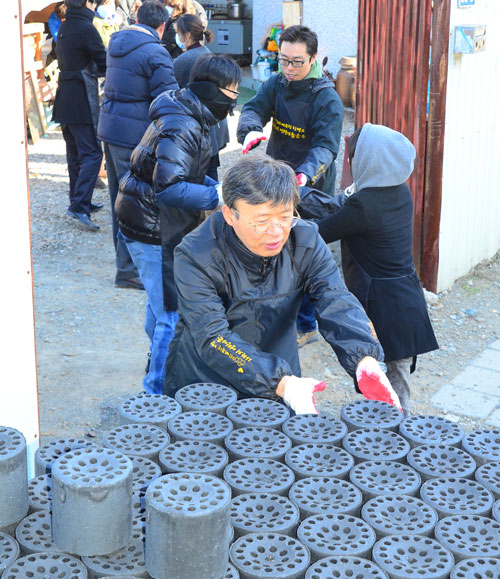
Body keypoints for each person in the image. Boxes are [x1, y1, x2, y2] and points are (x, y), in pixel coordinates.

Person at [164, 156, 403, 415]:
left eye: (285, 216)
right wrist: (281, 383)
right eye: (263, 220)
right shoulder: (195, 254)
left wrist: (363, 357)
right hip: (208, 379)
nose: (276, 231)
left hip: (280, 367)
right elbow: (212, 336)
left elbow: (334, 298)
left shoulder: (305, 241)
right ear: (230, 215)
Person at [115, 53, 242, 394]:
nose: (232, 102)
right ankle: (156, 392)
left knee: (159, 307)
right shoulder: (183, 123)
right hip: (152, 226)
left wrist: (215, 189)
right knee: (171, 313)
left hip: (143, 217)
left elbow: (186, 172)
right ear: (208, 90)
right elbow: (169, 187)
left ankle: (155, 363)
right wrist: (217, 198)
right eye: (229, 94)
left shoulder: (187, 109)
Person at [317, 124, 439, 414]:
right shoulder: (398, 191)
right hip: (404, 298)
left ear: (370, 160)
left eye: (353, 156)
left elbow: (320, 232)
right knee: (393, 379)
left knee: (391, 388)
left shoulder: (364, 205)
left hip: (384, 306)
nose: (350, 162)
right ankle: (393, 434)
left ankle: (399, 441)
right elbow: (343, 206)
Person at [237, 25, 344, 347]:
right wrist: (251, 129)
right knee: (270, 247)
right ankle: (274, 316)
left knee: (302, 253)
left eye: (297, 62)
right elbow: (254, 107)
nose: (289, 68)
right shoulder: (277, 83)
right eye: (283, 60)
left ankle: (305, 324)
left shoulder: (327, 99)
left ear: (313, 58)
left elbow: (326, 147)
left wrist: (304, 175)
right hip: (275, 178)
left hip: (309, 185)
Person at [98, 0, 178, 290]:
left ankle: (127, 266)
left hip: (110, 128)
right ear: (161, 26)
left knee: (118, 200)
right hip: (135, 135)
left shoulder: (117, 41)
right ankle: (130, 269)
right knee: (134, 203)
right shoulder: (155, 51)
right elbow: (167, 100)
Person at [53, 0, 107, 232]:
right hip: (81, 97)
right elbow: (104, 62)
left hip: (64, 95)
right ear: (88, 3)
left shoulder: (66, 25)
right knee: (93, 153)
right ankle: (79, 205)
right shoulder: (86, 27)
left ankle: (78, 199)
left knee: (75, 152)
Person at [173, 13, 227, 180]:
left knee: (200, 177)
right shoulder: (207, 52)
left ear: (187, 35)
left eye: (179, 32)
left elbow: (173, 91)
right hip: (214, 125)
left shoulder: (184, 59)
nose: (177, 36)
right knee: (211, 172)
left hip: (199, 127)